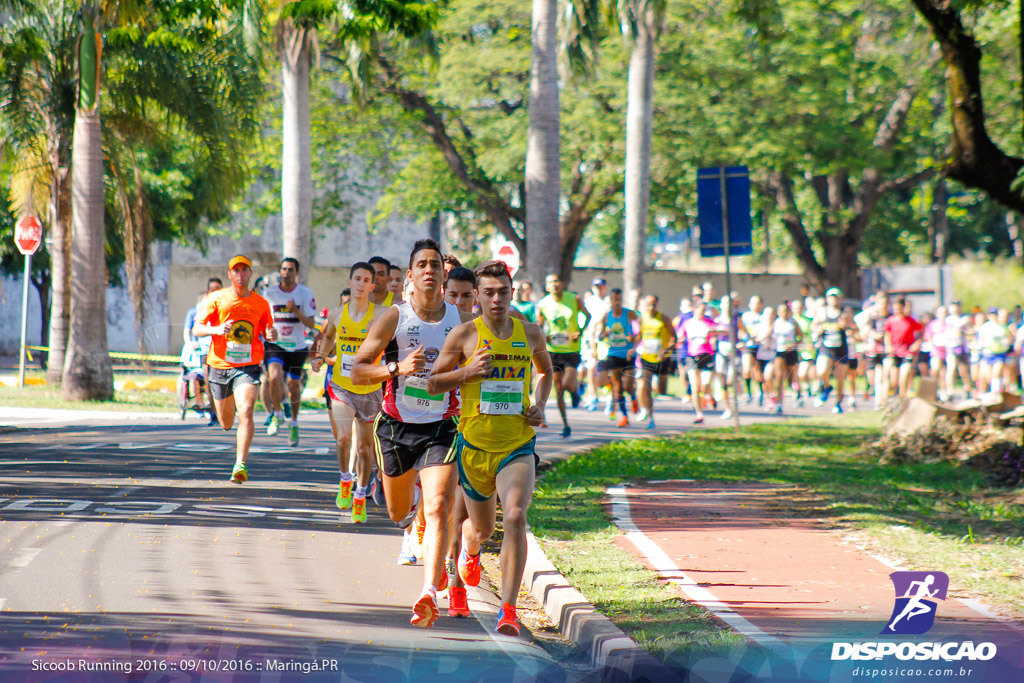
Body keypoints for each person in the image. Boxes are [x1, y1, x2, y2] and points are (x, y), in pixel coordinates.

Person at [428, 260, 552, 636]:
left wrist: (539, 404)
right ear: (477, 296)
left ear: (513, 293)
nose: (497, 299)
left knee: (514, 515)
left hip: (517, 444)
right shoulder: (465, 336)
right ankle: (469, 551)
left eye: (503, 292)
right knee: (478, 529)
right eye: (489, 292)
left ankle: (509, 611)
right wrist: (466, 372)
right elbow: (433, 384)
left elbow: (545, 372)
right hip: (474, 447)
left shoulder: (530, 333)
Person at [350, 239, 470, 628]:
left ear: (443, 272)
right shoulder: (393, 318)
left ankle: (427, 592)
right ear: (413, 274)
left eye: (436, 263)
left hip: (443, 426)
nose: (430, 270)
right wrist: (397, 369)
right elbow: (358, 371)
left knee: (439, 506)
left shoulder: (461, 320)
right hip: (396, 426)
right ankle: (411, 518)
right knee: (399, 511)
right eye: (422, 264)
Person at [311, 262, 387, 523]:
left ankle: (360, 495)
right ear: (349, 281)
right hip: (342, 385)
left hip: (370, 389)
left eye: (367, 280)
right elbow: (328, 338)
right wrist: (320, 357)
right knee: (344, 438)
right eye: (358, 279)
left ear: (372, 286)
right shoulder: (336, 314)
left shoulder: (382, 314)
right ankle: (345, 479)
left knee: (366, 450)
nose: (362, 284)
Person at [192, 255, 277, 484]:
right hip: (219, 366)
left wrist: (271, 335)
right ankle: (228, 428)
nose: (240, 274)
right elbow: (197, 328)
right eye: (235, 270)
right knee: (226, 422)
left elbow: (269, 330)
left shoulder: (260, 303)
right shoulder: (217, 298)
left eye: (244, 270)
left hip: (247, 366)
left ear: (250, 273)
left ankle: (240, 463)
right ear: (230, 275)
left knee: (247, 410)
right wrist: (218, 329)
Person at [261, 258, 318, 446]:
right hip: (276, 344)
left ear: (297, 273)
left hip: (297, 346)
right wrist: (268, 330)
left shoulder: (305, 293)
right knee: (274, 377)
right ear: (280, 271)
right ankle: (277, 414)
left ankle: (293, 423)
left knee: (294, 386)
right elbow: (263, 321)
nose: (287, 272)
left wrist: (295, 311)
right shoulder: (269, 293)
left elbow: (311, 323)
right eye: (284, 269)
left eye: (291, 269)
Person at [537, 274, 591, 438]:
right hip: (553, 351)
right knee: (559, 389)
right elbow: (538, 326)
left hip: (571, 350)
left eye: (556, 281)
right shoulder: (543, 304)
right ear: (546, 287)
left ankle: (575, 393)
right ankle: (566, 424)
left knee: (568, 384)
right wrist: (543, 336)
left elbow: (587, 316)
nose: (554, 285)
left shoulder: (573, 299)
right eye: (550, 282)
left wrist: (580, 331)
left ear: (562, 283)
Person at [595, 288, 638, 427]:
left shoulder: (630, 314)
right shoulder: (607, 316)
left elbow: (639, 332)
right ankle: (624, 416)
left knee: (628, 385)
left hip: (628, 354)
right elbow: (600, 335)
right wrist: (604, 334)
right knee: (617, 387)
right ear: (611, 300)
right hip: (613, 354)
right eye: (615, 300)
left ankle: (633, 396)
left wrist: (633, 339)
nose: (617, 302)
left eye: (619, 299)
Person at [635, 294, 677, 429]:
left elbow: (674, 338)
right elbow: (638, 337)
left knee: (659, 389)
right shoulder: (642, 319)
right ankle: (648, 414)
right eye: (648, 304)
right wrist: (632, 346)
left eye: (653, 304)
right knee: (643, 385)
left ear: (657, 305)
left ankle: (648, 411)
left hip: (661, 358)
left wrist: (666, 351)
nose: (651, 307)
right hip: (647, 357)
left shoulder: (664, 319)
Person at [813, 288, 856, 413]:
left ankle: (837, 403)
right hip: (826, 347)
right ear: (827, 299)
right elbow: (814, 326)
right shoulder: (822, 312)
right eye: (831, 297)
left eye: (836, 297)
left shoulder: (845, 313)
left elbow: (854, 328)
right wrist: (818, 330)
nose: (833, 299)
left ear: (840, 299)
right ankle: (826, 387)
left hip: (841, 348)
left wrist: (847, 327)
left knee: (840, 379)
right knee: (821, 371)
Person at [678, 298, 717, 423]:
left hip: (706, 355)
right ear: (695, 309)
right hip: (692, 356)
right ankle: (699, 414)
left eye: (705, 310)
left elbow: (723, 330)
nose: (703, 312)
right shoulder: (688, 323)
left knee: (705, 384)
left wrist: (712, 332)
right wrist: (677, 342)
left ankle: (708, 395)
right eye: (701, 310)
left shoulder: (708, 321)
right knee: (695, 387)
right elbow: (679, 336)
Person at [883, 297, 923, 399]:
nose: (897, 311)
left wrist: (916, 343)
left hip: (907, 352)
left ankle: (902, 398)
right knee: (893, 379)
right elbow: (887, 334)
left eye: (899, 308)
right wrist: (888, 346)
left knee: (904, 375)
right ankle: (893, 395)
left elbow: (921, 332)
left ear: (904, 308)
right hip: (895, 352)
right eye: (895, 308)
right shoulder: (891, 321)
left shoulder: (911, 321)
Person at [771, 302, 802, 414]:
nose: (783, 313)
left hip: (791, 352)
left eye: (785, 311)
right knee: (779, 377)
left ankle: (798, 393)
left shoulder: (793, 322)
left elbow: (800, 336)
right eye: (781, 311)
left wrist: (794, 344)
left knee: (792, 378)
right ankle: (779, 403)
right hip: (780, 352)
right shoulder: (775, 323)